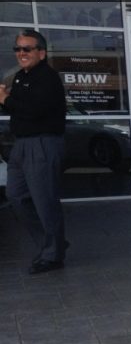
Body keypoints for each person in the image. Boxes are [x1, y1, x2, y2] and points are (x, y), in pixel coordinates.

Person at [0, 29, 68, 274]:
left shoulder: (47, 78)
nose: (21, 53)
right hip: (21, 145)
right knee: (15, 196)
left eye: (27, 49)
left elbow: (33, 110)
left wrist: (5, 99)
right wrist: (7, 99)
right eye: (18, 49)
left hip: (42, 144)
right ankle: (54, 242)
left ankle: (53, 255)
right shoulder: (20, 77)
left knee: (44, 200)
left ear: (41, 52)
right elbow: (17, 108)